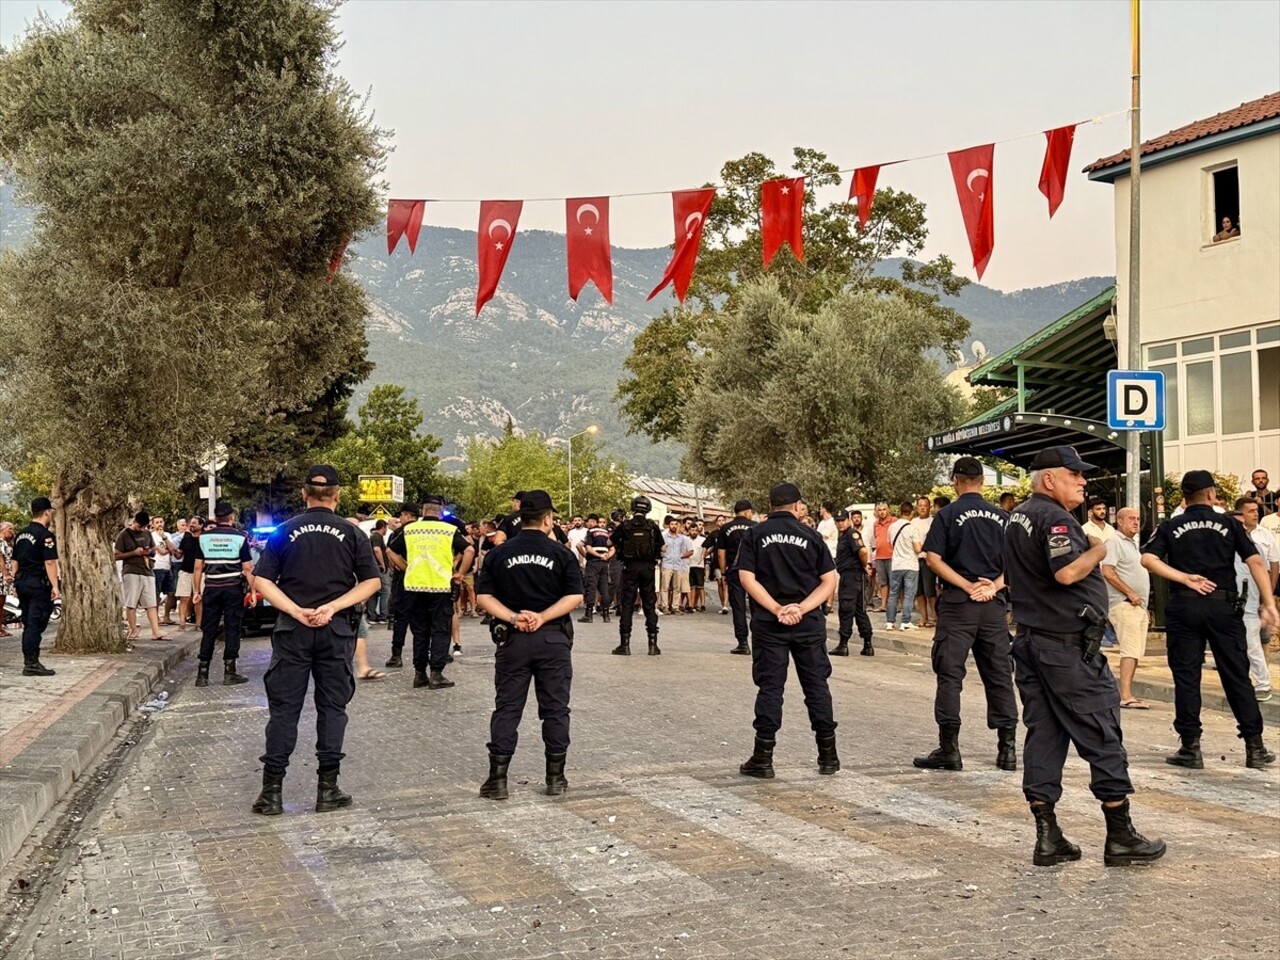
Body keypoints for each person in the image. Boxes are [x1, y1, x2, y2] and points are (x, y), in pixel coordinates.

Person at [1004, 446, 1165, 867]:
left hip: (1034, 643)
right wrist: (1097, 547)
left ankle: (1048, 836)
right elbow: (1066, 572)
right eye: (1073, 474)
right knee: (1102, 730)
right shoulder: (1055, 518)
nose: (1082, 480)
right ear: (1049, 479)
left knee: (1046, 734)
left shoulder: (1019, 515)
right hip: (1067, 648)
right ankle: (1120, 835)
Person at [249, 465, 382, 817]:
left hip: (293, 632)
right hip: (335, 631)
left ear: (304, 495)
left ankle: (271, 793)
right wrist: (332, 606)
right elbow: (372, 583)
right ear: (338, 496)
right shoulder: (353, 534)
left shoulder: (283, 532)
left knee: (284, 712)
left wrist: (295, 611)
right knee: (332, 709)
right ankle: (328, 789)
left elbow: (262, 581)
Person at [1140, 471, 1278, 768]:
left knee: (1187, 677)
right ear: (1212, 494)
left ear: (1184, 498)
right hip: (1223, 607)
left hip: (1185, 606)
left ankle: (1191, 748)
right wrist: (1269, 602)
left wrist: (1184, 578)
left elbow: (1148, 559)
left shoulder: (1171, 525)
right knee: (1236, 676)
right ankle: (1255, 747)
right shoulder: (1230, 523)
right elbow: (1255, 561)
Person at [475, 490, 584, 800]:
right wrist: (542, 616)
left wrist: (513, 617)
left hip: (513, 639)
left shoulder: (499, 553)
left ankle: (497, 780)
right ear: (548, 519)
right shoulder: (561, 554)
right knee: (555, 709)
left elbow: (483, 598)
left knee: (508, 709)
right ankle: (555, 778)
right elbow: (575, 597)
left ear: (520, 518)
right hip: (552, 638)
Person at [913, 458, 1019, 773]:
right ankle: (1008, 750)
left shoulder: (946, 515)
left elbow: (933, 559)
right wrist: (992, 588)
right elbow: (1017, 562)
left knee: (950, 676)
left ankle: (950, 750)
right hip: (993, 607)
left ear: (956, 481)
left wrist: (967, 585)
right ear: (983, 482)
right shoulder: (1002, 517)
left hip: (959, 605)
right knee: (1000, 676)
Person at [736, 482, 839, 778]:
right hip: (808, 624)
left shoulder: (754, 534)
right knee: (817, 687)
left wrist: (777, 609)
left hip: (770, 624)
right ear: (797, 506)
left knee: (770, 688)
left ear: (770, 506)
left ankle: (763, 758)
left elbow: (746, 578)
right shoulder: (812, 535)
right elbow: (829, 581)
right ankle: (828, 756)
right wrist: (802, 608)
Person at [390, 496, 473, 690]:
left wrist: (405, 567)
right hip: (440, 587)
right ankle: (436, 673)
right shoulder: (449, 530)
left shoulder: (409, 530)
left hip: (414, 587)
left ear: (423, 511)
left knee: (420, 632)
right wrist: (459, 574)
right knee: (440, 630)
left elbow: (390, 551)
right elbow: (469, 550)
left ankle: (419, 674)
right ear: (441, 511)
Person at [191, 501, 254, 687]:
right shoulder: (240, 537)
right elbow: (248, 568)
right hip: (233, 587)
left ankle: (202, 674)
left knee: (209, 628)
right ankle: (230, 671)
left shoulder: (204, 538)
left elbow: (197, 567)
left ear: (216, 518)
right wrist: (253, 591)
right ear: (232, 517)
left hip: (211, 587)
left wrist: (196, 591)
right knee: (232, 627)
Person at [1100, 507, 1152, 710]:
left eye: (1138, 519)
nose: (1136, 522)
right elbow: (1107, 571)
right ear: (1119, 521)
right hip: (1124, 603)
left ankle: (1128, 693)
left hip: (1137, 605)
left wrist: (1143, 605)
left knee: (1136, 651)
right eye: (1131, 518)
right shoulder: (1114, 541)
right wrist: (1129, 592)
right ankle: (1126, 695)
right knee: (1130, 650)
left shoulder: (1131, 544)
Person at [1232, 500, 1277, 700]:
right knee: (1234, 646)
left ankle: (1263, 684)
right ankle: (1241, 682)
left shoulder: (1255, 545)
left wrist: (1266, 602)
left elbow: (1265, 571)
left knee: (1252, 644)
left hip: (1249, 602)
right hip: (1227, 603)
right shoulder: (1222, 546)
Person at [12, 496, 60, 677]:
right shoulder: (45, 535)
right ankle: (31, 663)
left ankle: (30, 660)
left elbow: (15, 561)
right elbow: (50, 562)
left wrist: (16, 579)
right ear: (47, 512)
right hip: (37, 584)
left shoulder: (21, 534)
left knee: (28, 622)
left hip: (22, 582)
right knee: (35, 623)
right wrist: (55, 586)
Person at [610, 496, 663, 656]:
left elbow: (609, 542)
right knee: (649, 604)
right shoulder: (652, 526)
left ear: (633, 507)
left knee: (627, 604)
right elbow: (661, 546)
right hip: (648, 568)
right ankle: (653, 645)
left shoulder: (625, 525)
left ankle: (624, 645)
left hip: (630, 568)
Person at [113, 512, 171, 642]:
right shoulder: (124, 535)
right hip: (131, 570)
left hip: (148, 570)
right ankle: (133, 630)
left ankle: (156, 631)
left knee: (151, 603)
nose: (141, 530)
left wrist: (149, 551)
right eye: (139, 527)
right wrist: (134, 553)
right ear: (134, 521)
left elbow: (154, 551)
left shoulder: (147, 534)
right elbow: (116, 555)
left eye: (144, 527)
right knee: (131, 603)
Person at [830, 509, 874, 657]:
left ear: (848, 520)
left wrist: (863, 565)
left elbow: (862, 552)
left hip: (852, 576)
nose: (840, 523)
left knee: (847, 609)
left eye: (842, 520)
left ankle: (844, 644)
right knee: (858, 610)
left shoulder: (851, 534)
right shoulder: (844, 535)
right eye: (838, 521)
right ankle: (867, 644)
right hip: (850, 576)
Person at [718, 499, 757, 655]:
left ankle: (742, 643)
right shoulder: (756, 527)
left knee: (738, 607)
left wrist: (723, 572)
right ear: (748, 512)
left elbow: (721, 553)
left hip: (735, 571)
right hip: (755, 572)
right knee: (756, 606)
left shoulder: (726, 528)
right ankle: (759, 640)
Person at [382, 503, 418, 666]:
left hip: (404, 579)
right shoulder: (424, 531)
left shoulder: (399, 532)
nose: (400, 518)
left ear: (408, 515)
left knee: (401, 618)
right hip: (424, 579)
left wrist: (405, 567)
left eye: (402, 515)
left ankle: (396, 655)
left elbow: (390, 552)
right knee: (424, 619)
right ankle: (428, 652)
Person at [885, 502, 921, 630]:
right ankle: (905, 621)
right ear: (911, 513)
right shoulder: (912, 528)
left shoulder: (892, 527)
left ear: (900, 512)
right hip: (911, 565)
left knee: (893, 593)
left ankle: (890, 621)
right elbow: (917, 548)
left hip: (896, 564)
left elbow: (890, 543)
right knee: (909, 594)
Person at [577, 514, 613, 623]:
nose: (587, 524)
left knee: (591, 587)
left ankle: (589, 614)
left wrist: (588, 556)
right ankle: (606, 615)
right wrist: (606, 556)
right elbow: (612, 548)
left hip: (593, 563)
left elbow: (584, 547)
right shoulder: (606, 532)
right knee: (604, 588)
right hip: (604, 564)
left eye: (588, 522)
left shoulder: (591, 532)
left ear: (592, 522)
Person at [659, 515, 694, 615]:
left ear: (678, 526)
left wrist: (681, 556)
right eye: (672, 524)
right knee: (665, 587)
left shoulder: (683, 539)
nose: (673, 526)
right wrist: (662, 551)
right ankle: (665, 606)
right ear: (669, 525)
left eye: (675, 524)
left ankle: (675, 607)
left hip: (678, 565)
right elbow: (659, 548)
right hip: (667, 564)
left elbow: (690, 551)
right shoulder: (663, 537)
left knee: (677, 588)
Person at [174, 516, 204, 628]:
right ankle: (182, 622)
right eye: (191, 523)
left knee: (199, 599)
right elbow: (179, 554)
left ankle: (199, 624)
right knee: (184, 597)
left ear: (201, 525)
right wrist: (169, 545)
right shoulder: (186, 538)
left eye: (195, 523)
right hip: (185, 570)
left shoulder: (204, 539)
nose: (192, 525)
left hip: (201, 573)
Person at [912, 497, 937, 628]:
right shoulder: (913, 522)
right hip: (915, 560)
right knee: (919, 591)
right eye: (920, 505)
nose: (922, 508)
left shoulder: (933, 521)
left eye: (925, 505)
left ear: (929, 507)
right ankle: (923, 617)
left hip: (928, 559)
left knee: (930, 590)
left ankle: (934, 616)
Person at [150, 516, 176, 623]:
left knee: (171, 593)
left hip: (167, 566)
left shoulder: (168, 535)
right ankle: (155, 617)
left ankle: (166, 616)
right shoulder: (151, 536)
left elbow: (172, 549)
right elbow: (162, 551)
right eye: (157, 522)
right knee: (156, 593)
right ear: (153, 524)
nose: (159, 524)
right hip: (157, 567)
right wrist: (168, 549)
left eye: (161, 522)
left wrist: (164, 538)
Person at [871, 502, 893, 612]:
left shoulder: (894, 521)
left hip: (892, 555)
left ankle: (895, 605)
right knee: (883, 582)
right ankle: (883, 605)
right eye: (879, 510)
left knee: (894, 582)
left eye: (884, 509)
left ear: (888, 510)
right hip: (880, 556)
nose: (882, 512)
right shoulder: (875, 524)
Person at [367, 519, 390, 623]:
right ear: (383, 527)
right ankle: (383, 615)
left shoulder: (372, 536)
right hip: (380, 569)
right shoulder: (377, 537)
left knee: (374, 592)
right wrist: (382, 563)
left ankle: (372, 615)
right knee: (385, 591)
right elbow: (377, 550)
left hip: (373, 568)